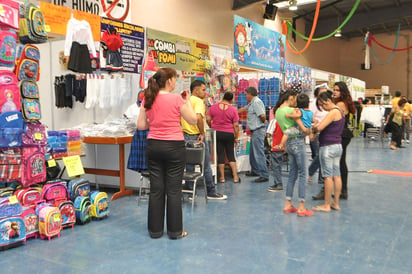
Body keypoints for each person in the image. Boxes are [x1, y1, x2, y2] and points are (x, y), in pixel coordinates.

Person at [137, 67, 197, 240]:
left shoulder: (148, 99)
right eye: (175, 79)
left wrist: (154, 121)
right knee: (173, 190)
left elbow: (141, 126)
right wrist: (186, 102)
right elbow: (193, 120)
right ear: (169, 80)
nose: (175, 82)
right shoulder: (177, 99)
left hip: (153, 146)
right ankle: (175, 231)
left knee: (156, 189)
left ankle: (155, 231)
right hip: (174, 147)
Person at [181, 80, 227, 200]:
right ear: (196, 90)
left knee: (189, 165)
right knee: (205, 164)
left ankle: (190, 192)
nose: (206, 93)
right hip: (196, 136)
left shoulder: (185, 101)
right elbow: (199, 118)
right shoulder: (198, 102)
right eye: (203, 90)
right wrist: (202, 132)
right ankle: (211, 191)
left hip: (185, 136)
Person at [275, 90, 314, 217]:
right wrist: (306, 130)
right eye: (295, 99)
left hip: (289, 144)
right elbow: (300, 123)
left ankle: (288, 204)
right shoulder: (291, 111)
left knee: (292, 174)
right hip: (298, 142)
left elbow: (287, 129)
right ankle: (301, 207)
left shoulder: (277, 112)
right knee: (303, 173)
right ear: (291, 98)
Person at [311, 92, 344, 212]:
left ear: (328, 101)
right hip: (337, 146)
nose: (323, 108)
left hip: (328, 147)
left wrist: (313, 127)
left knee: (328, 177)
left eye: (323, 105)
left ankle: (326, 204)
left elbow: (320, 128)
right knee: (337, 175)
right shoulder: (340, 111)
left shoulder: (333, 112)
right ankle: (335, 203)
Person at [206, 92, 240, 183]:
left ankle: (222, 178)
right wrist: (236, 137)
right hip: (229, 134)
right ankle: (236, 177)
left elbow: (208, 119)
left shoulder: (213, 107)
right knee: (230, 155)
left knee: (220, 154)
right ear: (231, 100)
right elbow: (236, 126)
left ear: (223, 97)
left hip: (217, 133)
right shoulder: (233, 110)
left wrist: (211, 126)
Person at [238, 87, 269, 183]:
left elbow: (262, 115)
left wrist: (263, 123)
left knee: (258, 152)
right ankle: (255, 170)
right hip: (254, 131)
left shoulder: (256, 102)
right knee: (252, 152)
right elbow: (244, 109)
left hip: (258, 130)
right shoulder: (252, 103)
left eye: (246, 94)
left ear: (250, 94)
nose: (246, 96)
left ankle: (264, 174)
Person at [332, 82, 356, 200]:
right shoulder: (343, 103)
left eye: (337, 90)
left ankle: (342, 190)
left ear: (342, 92)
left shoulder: (340, 104)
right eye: (334, 89)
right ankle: (341, 190)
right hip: (344, 134)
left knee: (340, 163)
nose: (334, 92)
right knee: (341, 162)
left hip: (342, 134)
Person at [308, 85, 328, 194]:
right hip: (316, 132)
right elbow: (310, 116)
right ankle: (311, 171)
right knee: (318, 155)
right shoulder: (314, 104)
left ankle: (321, 177)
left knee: (322, 156)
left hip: (326, 132)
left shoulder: (328, 104)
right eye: (322, 93)